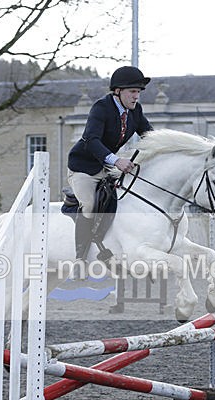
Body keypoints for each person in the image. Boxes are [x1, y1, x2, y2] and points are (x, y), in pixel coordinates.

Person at [67, 65, 153, 259]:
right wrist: (116, 161)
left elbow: (149, 136)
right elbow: (91, 140)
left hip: (106, 168)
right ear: (118, 91)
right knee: (89, 204)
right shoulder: (101, 107)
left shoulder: (135, 111)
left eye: (138, 92)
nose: (136, 96)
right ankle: (80, 258)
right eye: (132, 91)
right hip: (83, 167)